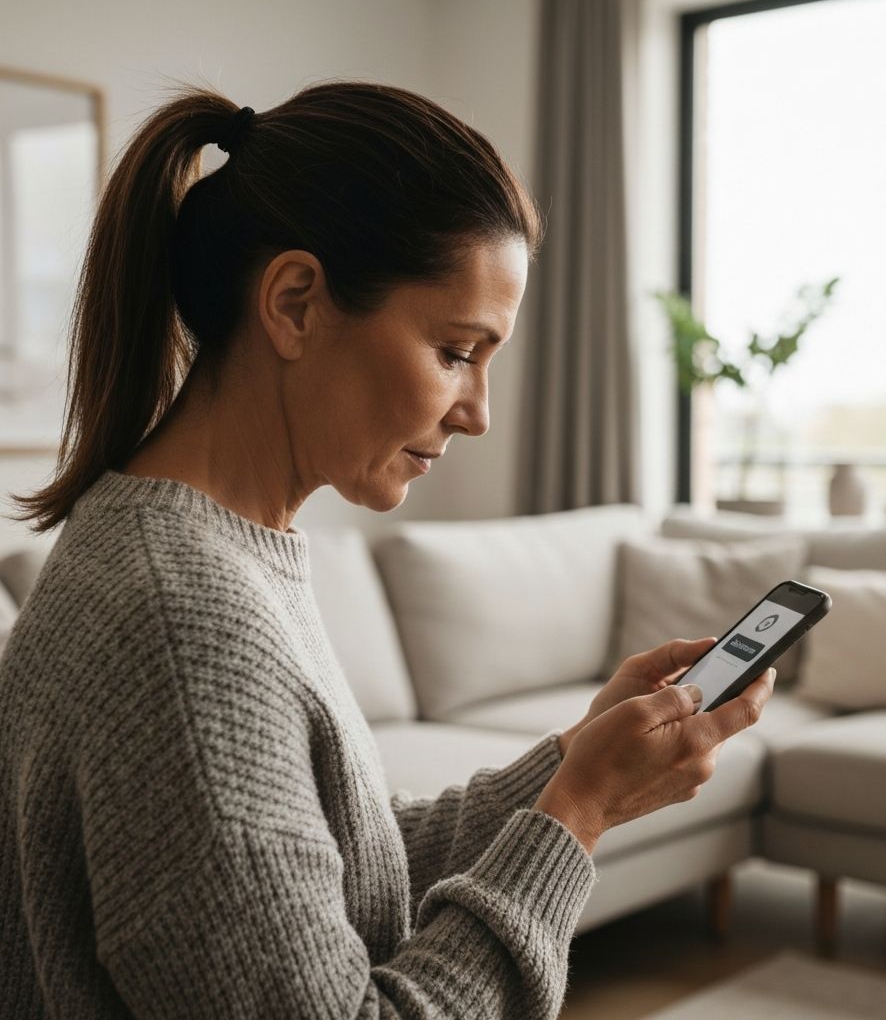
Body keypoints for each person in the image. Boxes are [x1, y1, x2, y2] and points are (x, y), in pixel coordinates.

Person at [0, 81, 775, 1019]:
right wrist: (578, 815)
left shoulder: (215, 551)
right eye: (456, 351)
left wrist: (575, 762)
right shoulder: (185, 623)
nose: (479, 413)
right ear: (294, 304)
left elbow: (338, 869)